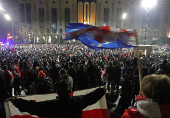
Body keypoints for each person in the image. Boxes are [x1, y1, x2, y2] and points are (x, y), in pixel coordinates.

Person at [8, 79, 107, 118]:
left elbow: (33, 107)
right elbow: (91, 98)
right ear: (69, 90)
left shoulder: (51, 105)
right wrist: (102, 90)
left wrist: (16, 101)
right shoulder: (78, 101)